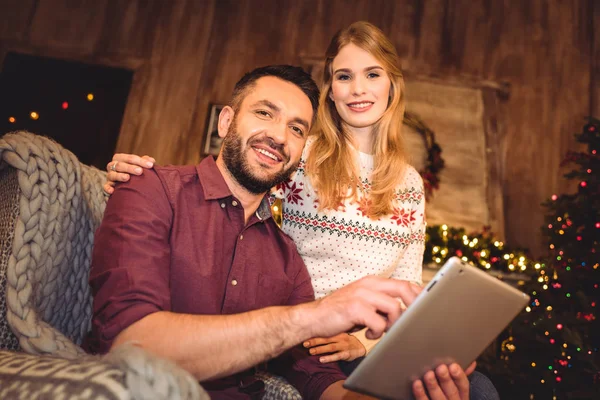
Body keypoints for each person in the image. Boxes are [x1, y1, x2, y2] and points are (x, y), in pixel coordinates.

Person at [103, 22, 499, 399]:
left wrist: (362, 345)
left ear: (394, 83)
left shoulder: (410, 183)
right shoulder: (298, 153)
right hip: (299, 337)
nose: (358, 89)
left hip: (364, 345)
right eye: (344, 76)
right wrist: (141, 177)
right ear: (330, 89)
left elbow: (407, 288)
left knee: (475, 387)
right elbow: (231, 187)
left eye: (373, 74)